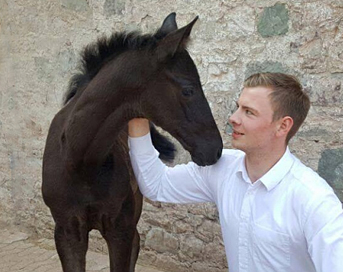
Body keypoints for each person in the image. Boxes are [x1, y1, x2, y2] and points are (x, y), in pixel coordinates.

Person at [127, 72, 343, 272]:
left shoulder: (314, 200)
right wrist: (138, 116)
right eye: (238, 107)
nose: (233, 118)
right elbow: (157, 185)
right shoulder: (223, 169)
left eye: (249, 112)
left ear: (282, 126)